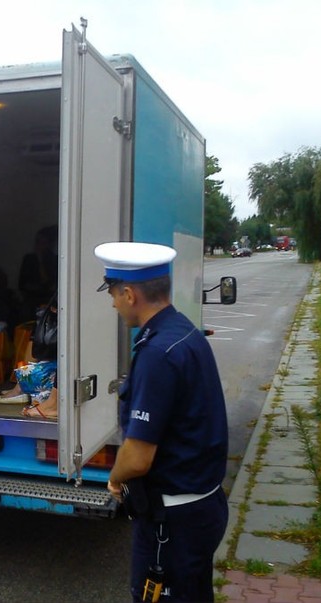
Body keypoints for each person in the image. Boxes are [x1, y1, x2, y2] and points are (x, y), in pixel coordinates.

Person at [95, 241, 229, 602]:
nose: (112, 303)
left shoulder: (157, 353)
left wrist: (114, 478)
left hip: (173, 521)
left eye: (112, 294)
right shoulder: (182, 330)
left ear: (129, 294)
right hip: (202, 507)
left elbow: (138, 457)